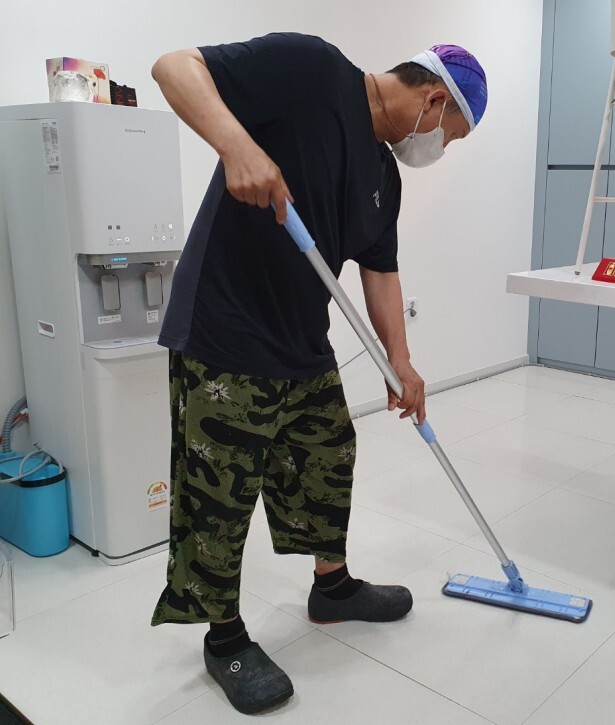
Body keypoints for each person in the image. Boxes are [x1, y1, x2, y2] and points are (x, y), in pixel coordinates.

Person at [148, 32, 487, 715]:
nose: (439, 149)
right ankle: (224, 637)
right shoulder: (311, 69)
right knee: (220, 492)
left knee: (327, 451)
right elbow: (173, 67)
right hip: (225, 327)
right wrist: (237, 146)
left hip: (301, 335)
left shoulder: (383, 175)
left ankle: (331, 588)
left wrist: (400, 360)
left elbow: (381, 270)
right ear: (432, 101)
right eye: (449, 135)